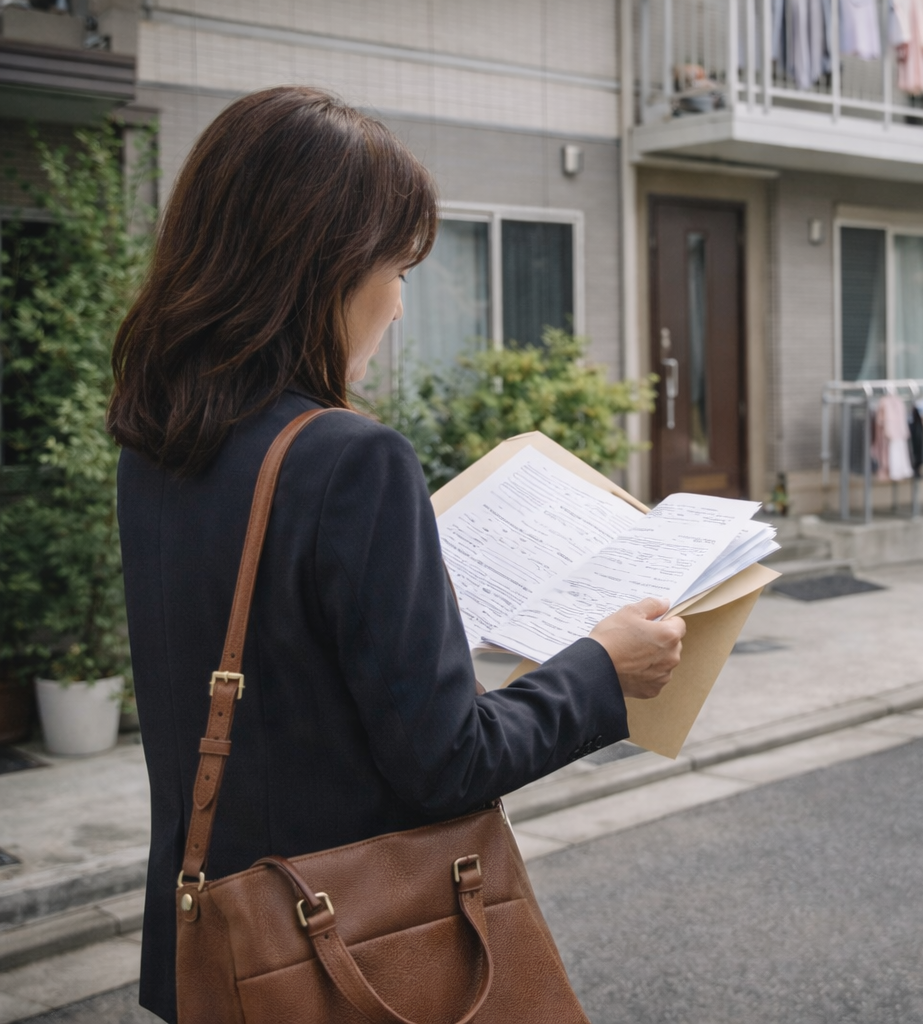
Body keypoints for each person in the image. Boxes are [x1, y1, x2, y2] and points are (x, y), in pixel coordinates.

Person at [108, 86, 686, 1023]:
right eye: (399, 266)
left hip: (214, 944)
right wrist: (603, 671)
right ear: (324, 269)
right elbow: (448, 763)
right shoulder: (350, 459)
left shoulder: (157, 444)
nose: (401, 303)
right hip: (349, 954)